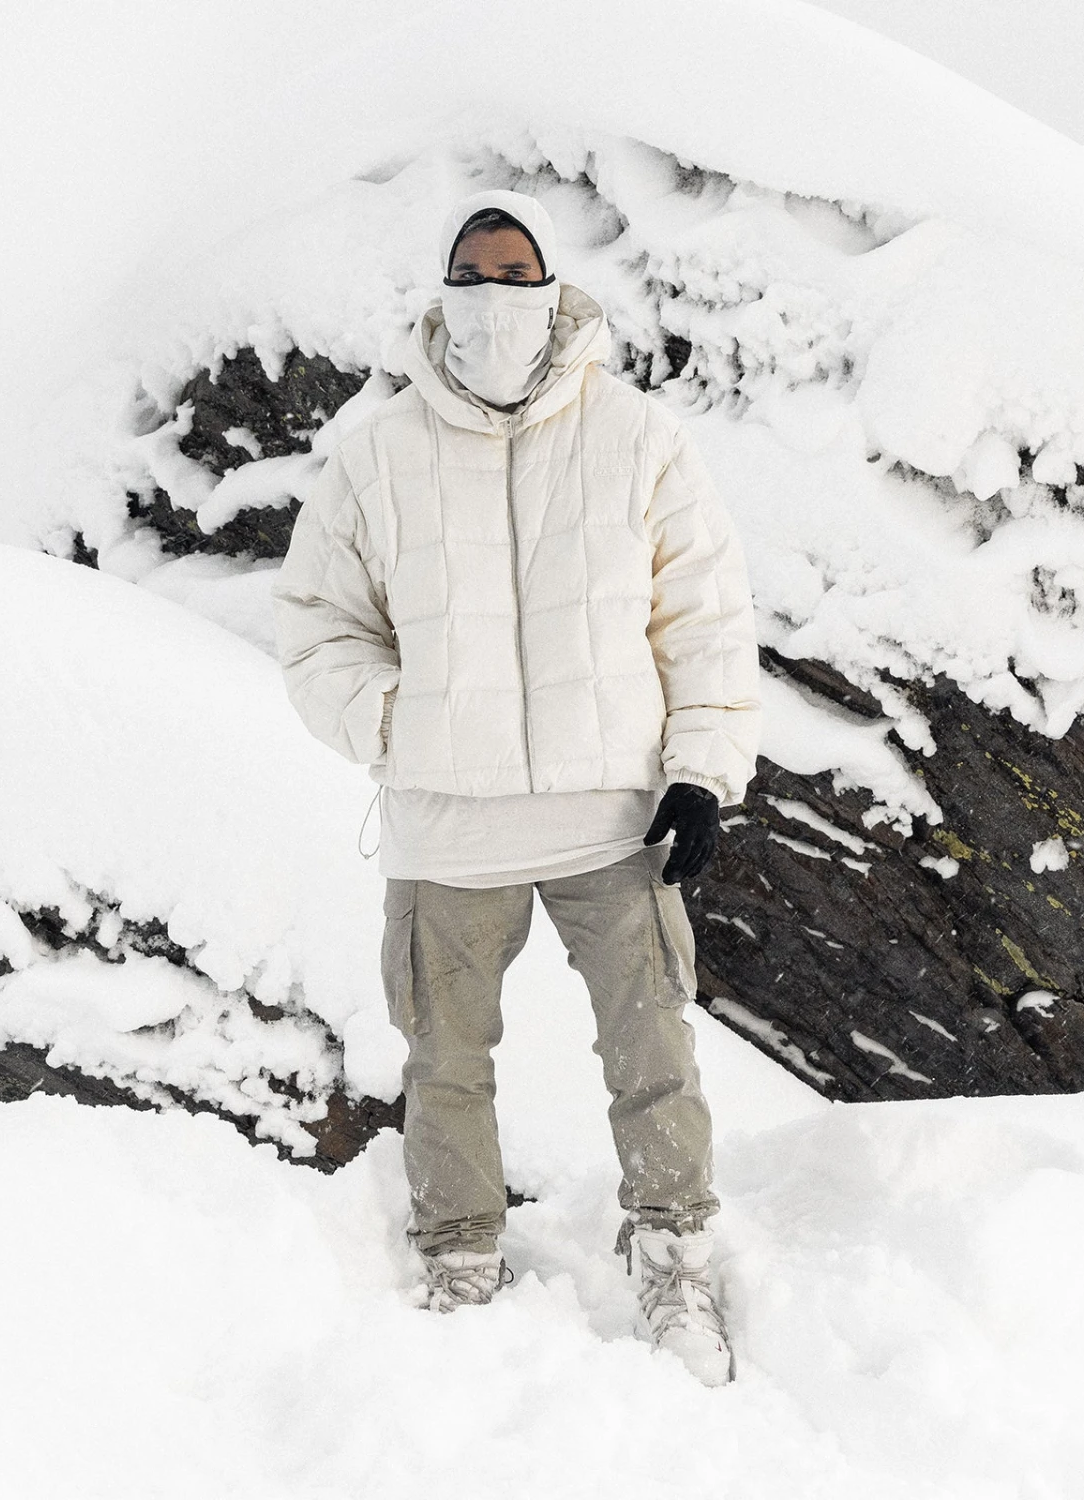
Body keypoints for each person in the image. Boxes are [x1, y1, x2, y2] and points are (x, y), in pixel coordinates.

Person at [273, 188, 763, 1386]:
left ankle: (676, 1258)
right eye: (473, 275)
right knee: (445, 1063)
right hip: (448, 828)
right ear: (443, 291)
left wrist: (701, 773)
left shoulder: (637, 436)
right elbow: (317, 628)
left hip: (612, 818)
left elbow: (704, 615)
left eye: (514, 273)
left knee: (653, 1050)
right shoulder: (376, 452)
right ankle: (458, 1257)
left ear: (553, 287)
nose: (494, 298)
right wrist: (402, 723)